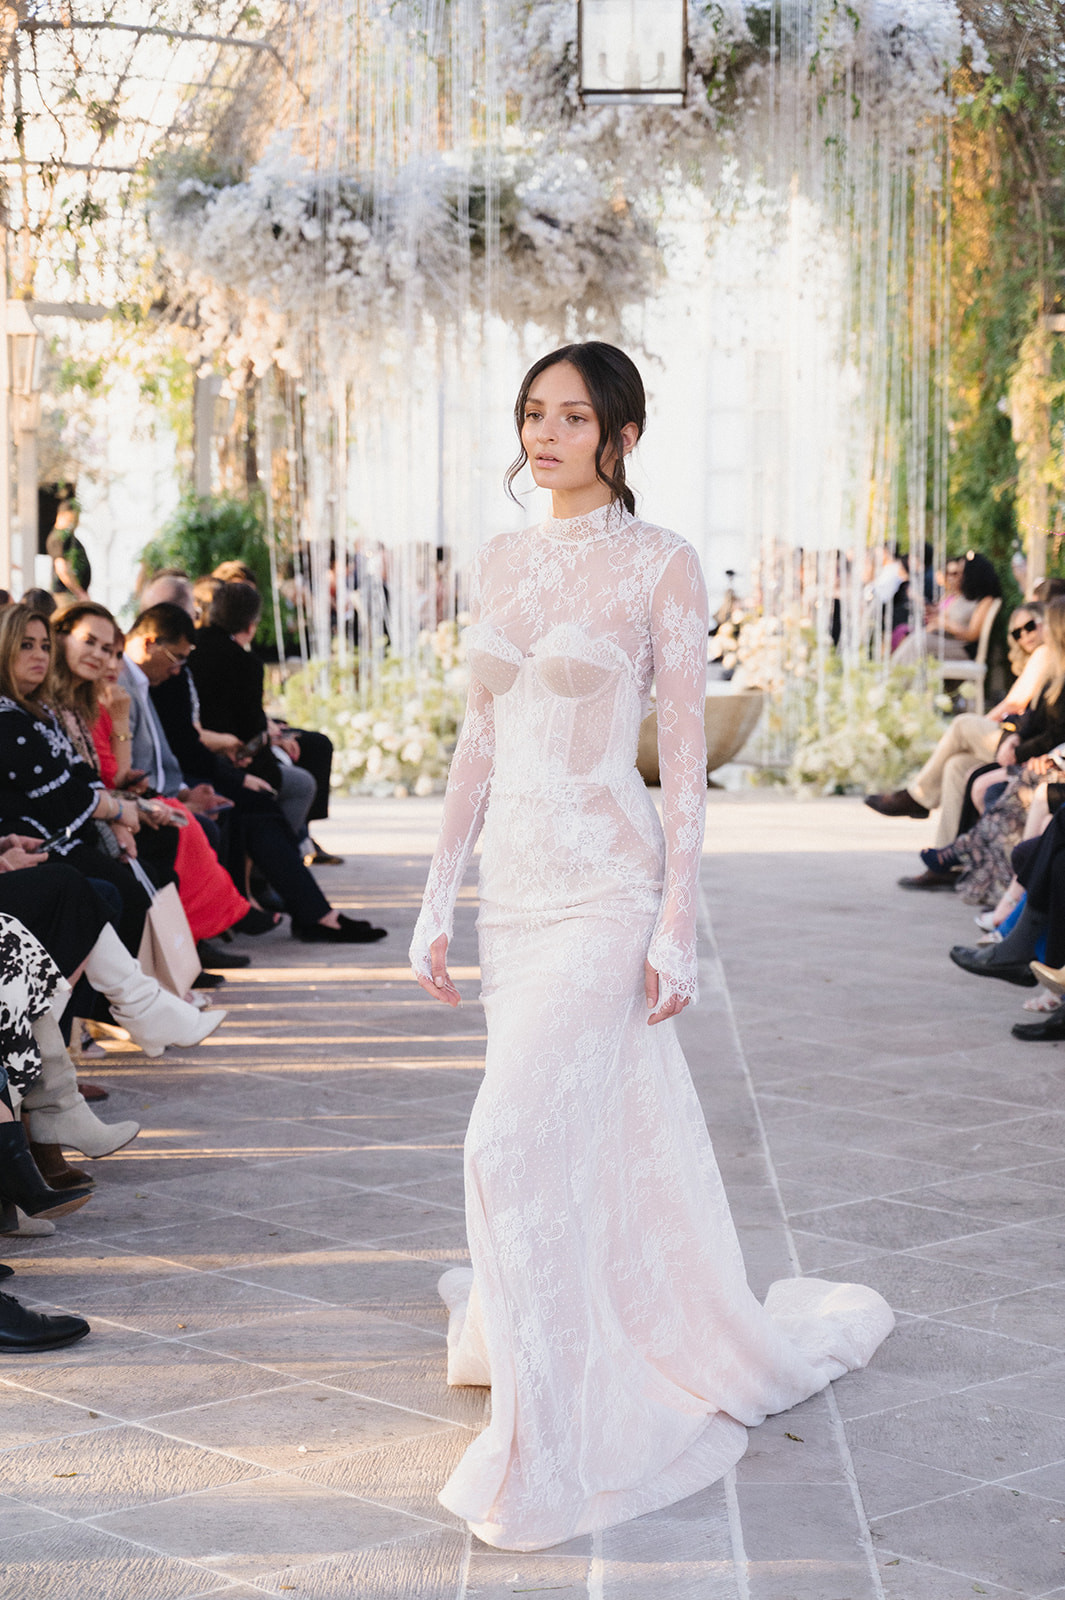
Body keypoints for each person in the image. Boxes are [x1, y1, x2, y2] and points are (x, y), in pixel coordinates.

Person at [408, 341, 893, 1552]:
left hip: (605, 890)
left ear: (620, 434)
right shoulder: (501, 557)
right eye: (533, 412)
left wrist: (678, 921)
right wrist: (436, 896)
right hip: (517, 896)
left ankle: (548, 1434)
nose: (546, 433)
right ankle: (557, 1334)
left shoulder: (660, 562)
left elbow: (682, 758)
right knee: (571, 1130)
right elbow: (479, 740)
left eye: (573, 416)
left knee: (503, 1140)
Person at [125, 602, 383, 944]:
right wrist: (188, 792)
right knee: (246, 803)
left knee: (255, 801)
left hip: (177, 780)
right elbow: (170, 750)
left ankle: (293, 909)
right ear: (150, 643)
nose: (179, 668)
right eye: (178, 658)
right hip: (159, 789)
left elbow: (175, 747)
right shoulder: (130, 681)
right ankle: (270, 910)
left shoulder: (148, 678)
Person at [866, 600, 1048, 867]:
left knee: (963, 725)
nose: (1025, 635)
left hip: (1025, 742)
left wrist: (982, 723)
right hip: (1018, 737)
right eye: (1017, 632)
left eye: (1030, 626)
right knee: (956, 764)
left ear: (1048, 623)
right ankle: (946, 860)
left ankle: (918, 796)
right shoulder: (1038, 657)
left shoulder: (1046, 653)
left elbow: (1014, 703)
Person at [891, 549, 1001, 666]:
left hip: (962, 648)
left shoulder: (985, 601)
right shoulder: (963, 597)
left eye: (961, 573)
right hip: (946, 640)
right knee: (914, 639)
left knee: (919, 642)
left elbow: (972, 635)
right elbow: (943, 617)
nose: (959, 577)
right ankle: (894, 671)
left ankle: (895, 673)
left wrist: (946, 624)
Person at [45, 502, 91, 601]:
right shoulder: (58, 538)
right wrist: (79, 592)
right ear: (62, 515)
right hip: (66, 594)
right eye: (71, 518)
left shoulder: (68, 537)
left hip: (74, 594)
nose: (74, 522)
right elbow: (61, 568)